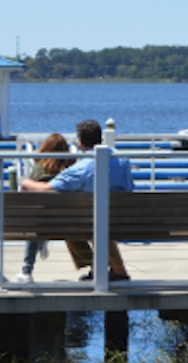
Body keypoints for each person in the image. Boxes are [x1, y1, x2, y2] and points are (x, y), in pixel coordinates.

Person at [20, 119, 133, 281]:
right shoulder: (123, 160)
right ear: (100, 137)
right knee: (97, 216)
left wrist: (25, 182)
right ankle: (102, 270)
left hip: (98, 221)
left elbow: (48, 188)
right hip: (127, 219)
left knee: (73, 220)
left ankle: (111, 270)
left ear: (80, 141)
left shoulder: (82, 167)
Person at [14, 134, 76, 283]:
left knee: (36, 221)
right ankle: (95, 269)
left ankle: (26, 271)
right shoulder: (71, 168)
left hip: (40, 221)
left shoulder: (39, 167)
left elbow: (25, 191)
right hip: (71, 222)